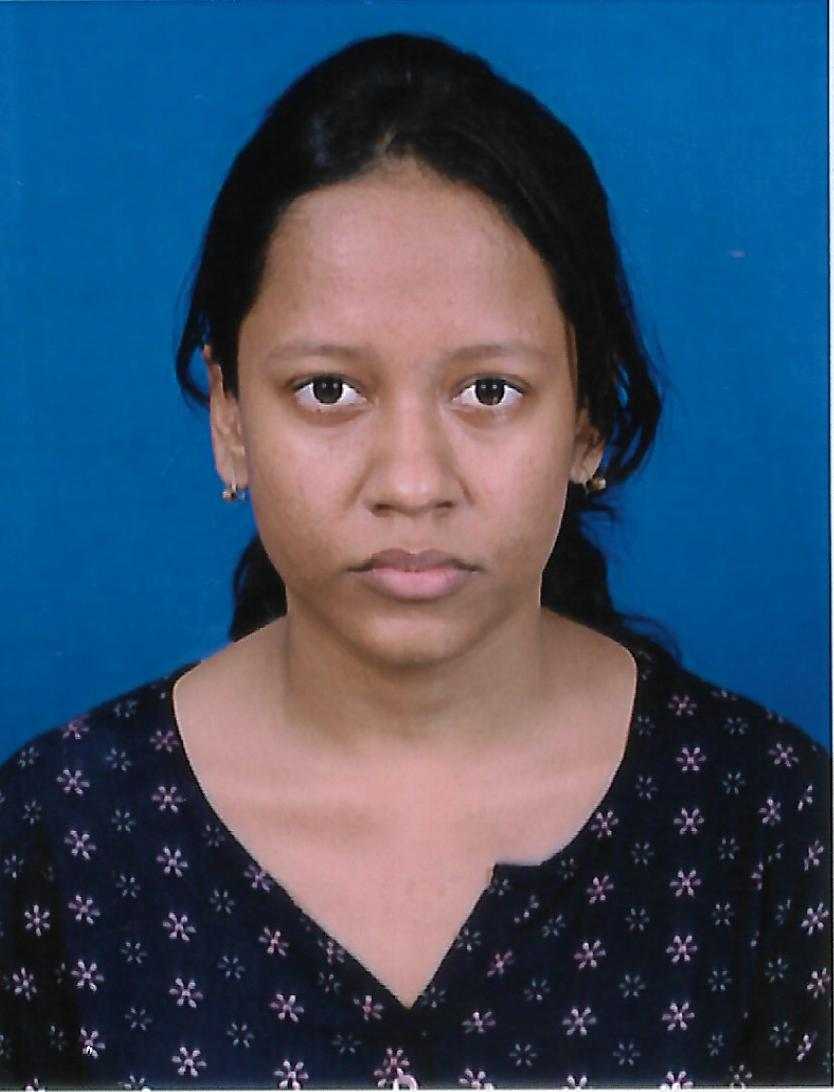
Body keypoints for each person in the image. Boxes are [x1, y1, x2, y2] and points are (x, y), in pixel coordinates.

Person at [0, 31, 830, 1090]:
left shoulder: (767, 827)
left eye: (488, 391)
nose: (410, 482)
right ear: (230, 417)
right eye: (328, 391)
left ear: (587, 421)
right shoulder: (60, 835)